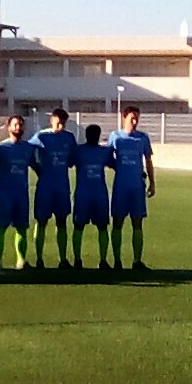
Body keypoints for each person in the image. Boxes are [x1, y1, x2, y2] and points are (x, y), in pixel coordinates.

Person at [28, 108, 78, 269]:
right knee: (41, 222)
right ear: (52, 121)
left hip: (62, 187)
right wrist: (37, 168)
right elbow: (28, 153)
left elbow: (72, 159)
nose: (61, 126)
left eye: (63, 123)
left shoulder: (69, 138)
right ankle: (39, 259)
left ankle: (63, 259)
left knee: (62, 222)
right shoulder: (42, 136)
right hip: (45, 187)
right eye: (58, 122)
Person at [108, 106, 156, 270]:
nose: (135, 122)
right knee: (118, 223)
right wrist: (118, 166)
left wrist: (152, 182)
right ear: (124, 118)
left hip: (137, 187)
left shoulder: (143, 138)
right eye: (132, 118)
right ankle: (117, 261)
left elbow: (148, 161)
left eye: (137, 119)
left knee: (137, 223)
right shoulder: (115, 137)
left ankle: (137, 261)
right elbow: (108, 158)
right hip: (120, 187)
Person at [0, 115, 40, 270]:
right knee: (1, 228)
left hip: (21, 194)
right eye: (15, 125)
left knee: (22, 228)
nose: (18, 127)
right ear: (8, 127)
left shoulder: (28, 148)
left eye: (21, 125)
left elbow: (35, 166)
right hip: (5, 194)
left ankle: (21, 261)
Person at [71, 124, 115, 270]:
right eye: (91, 134)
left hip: (99, 195)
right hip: (84, 195)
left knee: (102, 227)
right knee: (79, 227)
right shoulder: (78, 151)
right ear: (87, 135)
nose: (93, 137)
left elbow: (116, 164)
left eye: (96, 134)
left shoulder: (105, 152)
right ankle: (77, 259)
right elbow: (67, 162)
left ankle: (103, 260)